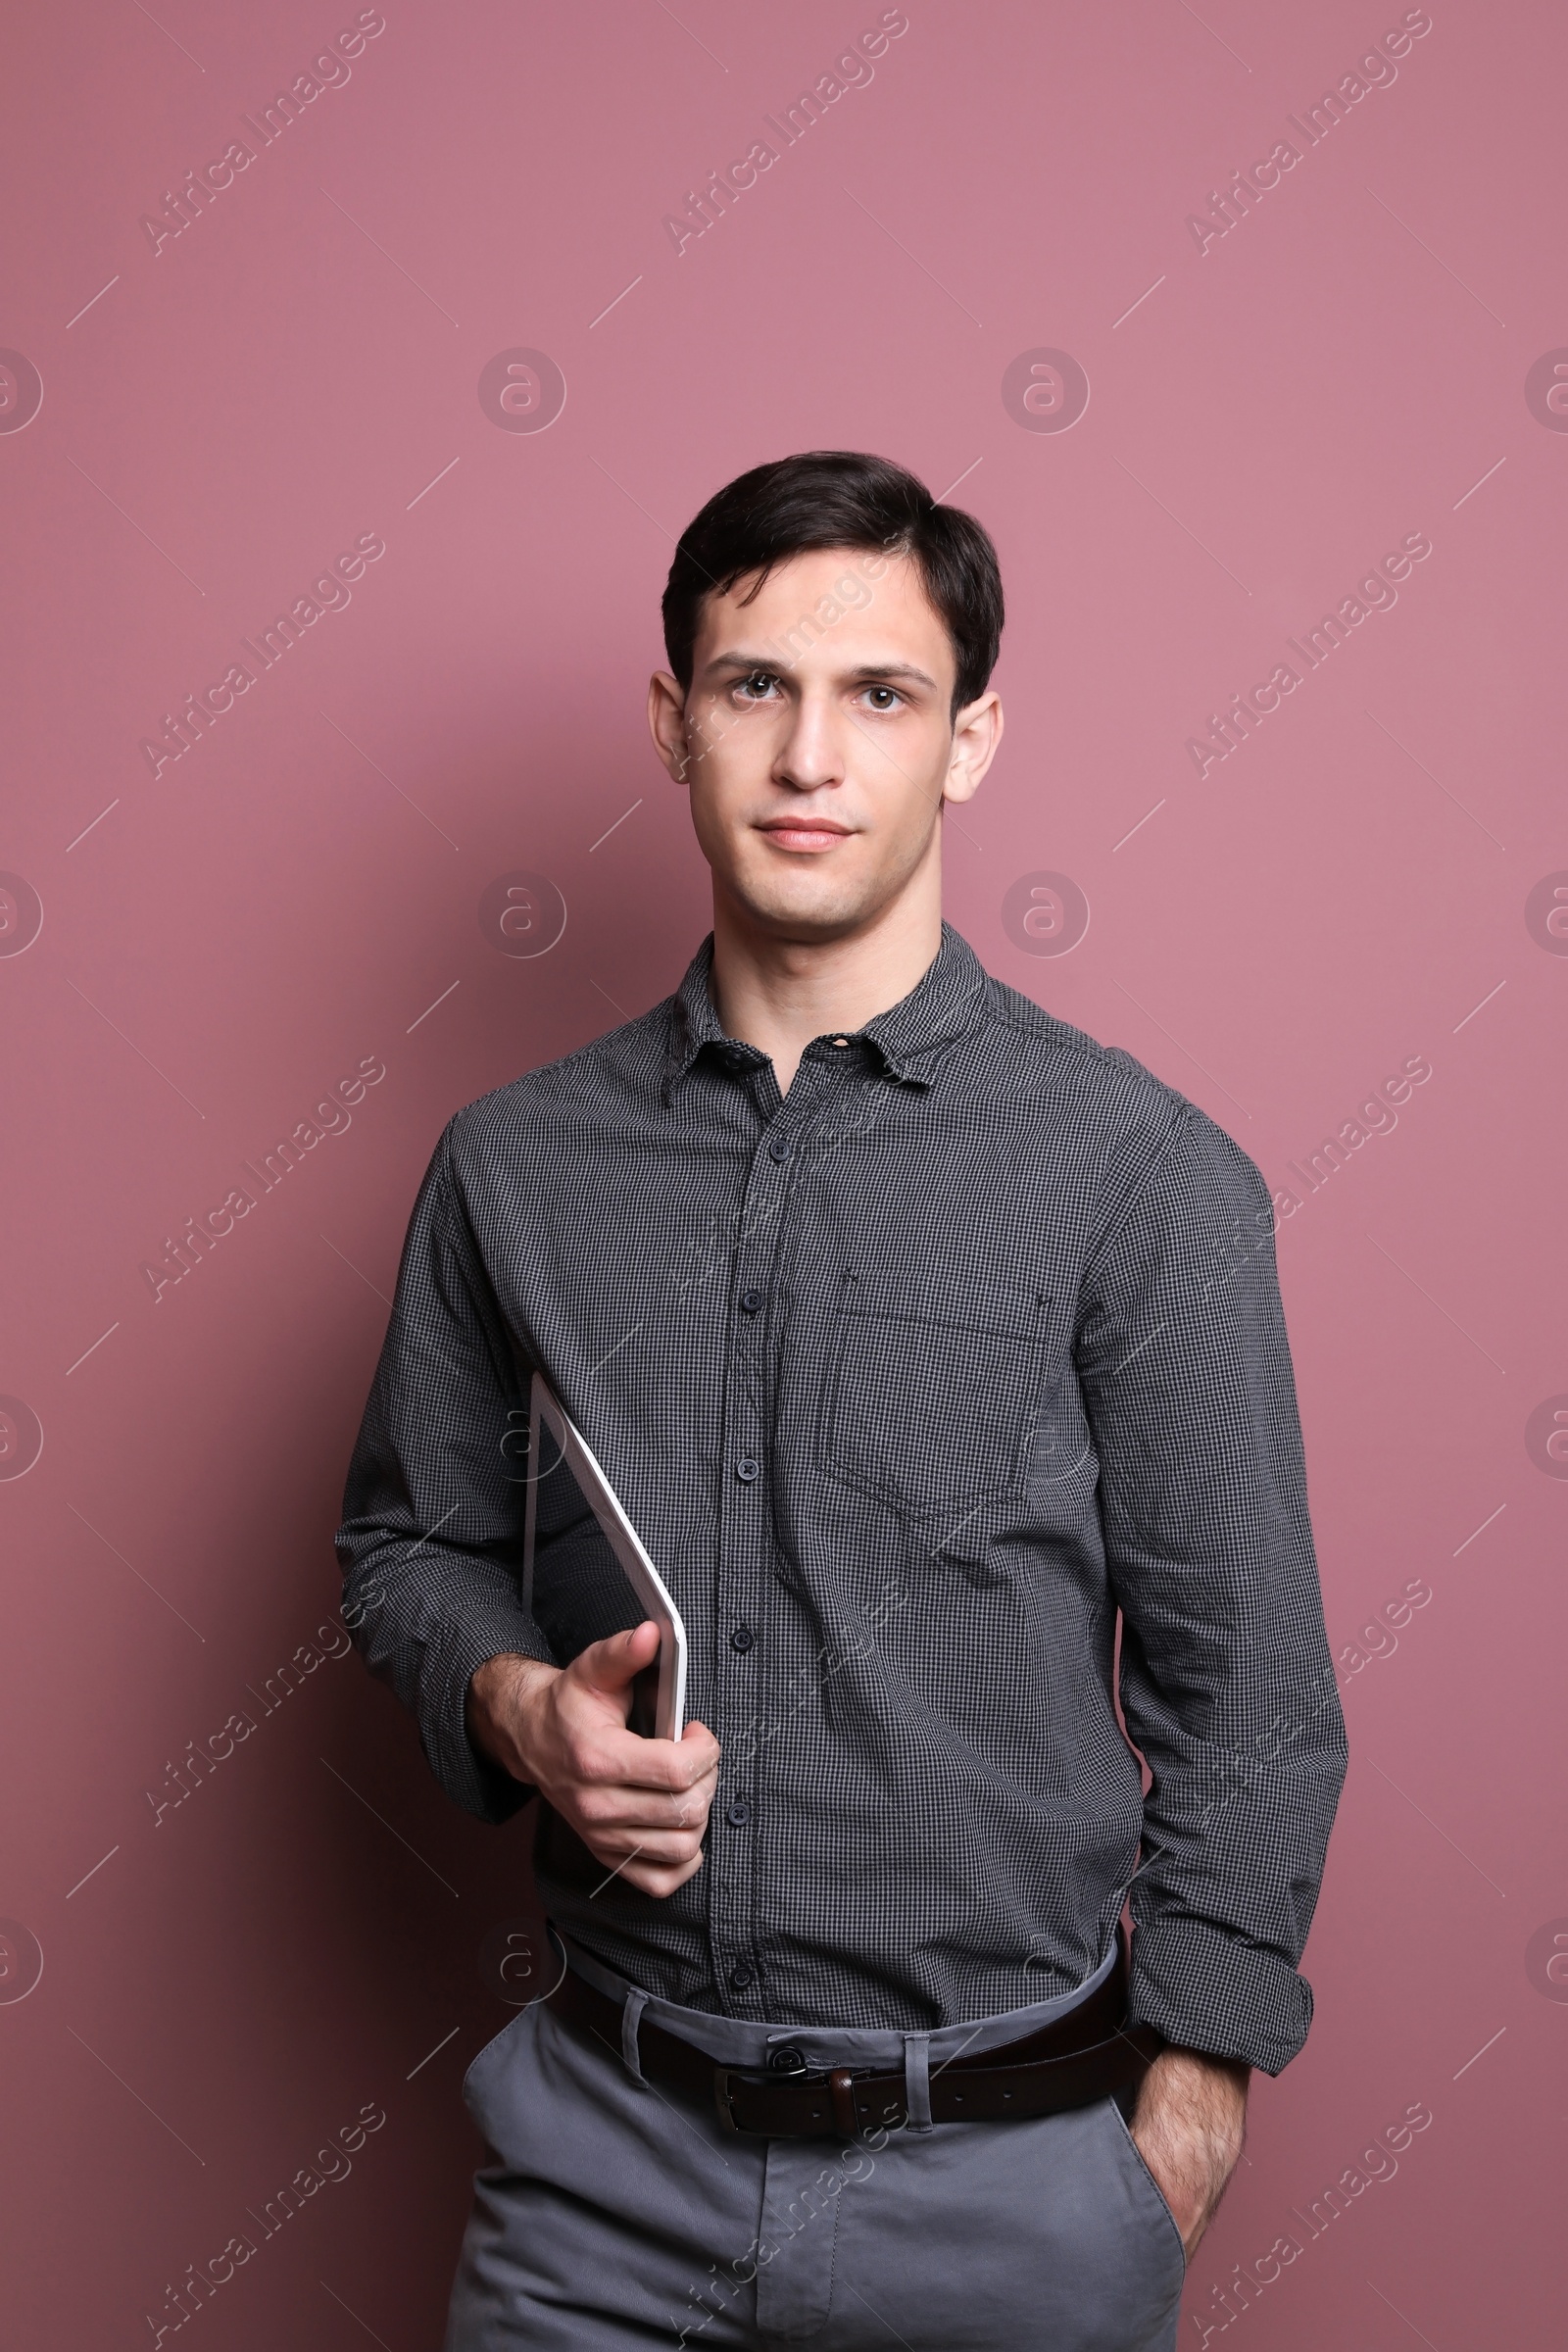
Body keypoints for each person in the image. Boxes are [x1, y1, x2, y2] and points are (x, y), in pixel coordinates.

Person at [336, 450, 1347, 2350]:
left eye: (876, 695)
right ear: (672, 722)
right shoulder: (511, 1165)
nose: (809, 756)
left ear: (965, 741)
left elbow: (1253, 1702)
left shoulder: (1138, 1174)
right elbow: (407, 1544)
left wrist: (1186, 2113)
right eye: (753, 689)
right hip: (596, 2185)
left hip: (1010, 2187)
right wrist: (513, 1708)